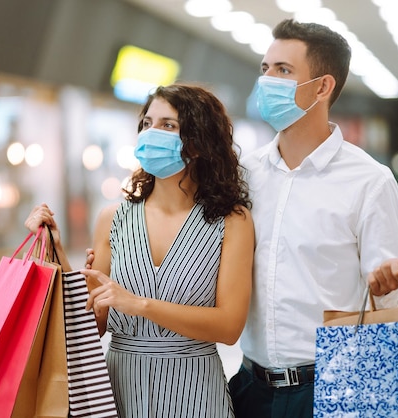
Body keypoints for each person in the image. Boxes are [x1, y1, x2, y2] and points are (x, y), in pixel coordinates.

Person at [25, 83, 254, 418]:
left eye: (168, 125)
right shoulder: (113, 219)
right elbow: (93, 324)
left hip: (196, 392)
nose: (151, 133)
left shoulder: (231, 221)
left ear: (199, 140)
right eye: (147, 124)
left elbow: (229, 327)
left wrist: (140, 305)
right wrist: (56, 250)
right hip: (120, 389)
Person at [227, 19, 398, 418]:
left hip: (333, 386)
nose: (267, 81)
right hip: (249, 388)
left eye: (283, 70)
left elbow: (390, 304)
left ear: (323, 87)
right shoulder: (245, 172)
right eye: (265, 69)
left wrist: (387, 284)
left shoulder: (369, 181)